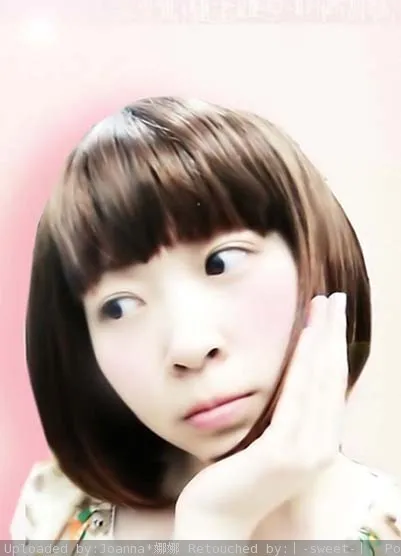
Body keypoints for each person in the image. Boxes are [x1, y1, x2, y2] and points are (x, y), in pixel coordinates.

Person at [10, 96, 401, 544]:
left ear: (313, 255)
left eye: (221, 263)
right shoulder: (55, 516)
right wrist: (214, 523)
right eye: (119, 306)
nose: (189, 348)